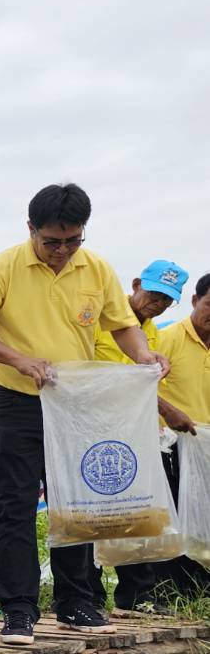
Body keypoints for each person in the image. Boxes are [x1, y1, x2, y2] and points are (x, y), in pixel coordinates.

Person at [0, 183, 168, 646]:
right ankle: (19, 609)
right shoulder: (4, 267)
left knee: (75, 501)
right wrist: (18, 359)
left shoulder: (96, 269)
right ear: (30, 229)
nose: (61, 251)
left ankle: (75, 601)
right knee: (15, 505)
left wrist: (144, 357)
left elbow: (123, 326)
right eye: (51, 241)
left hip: (75, 404)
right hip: (18, 399)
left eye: (72, 241)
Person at [88, 260, 188, 614]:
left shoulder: (152, 333)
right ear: (135, 284)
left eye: (166, 300)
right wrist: (166, 408)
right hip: (94, 430)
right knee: (92, 512)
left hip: (132, 431)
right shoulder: (100, 320)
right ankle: (89, 595)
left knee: (135, 510)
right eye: (154, 294)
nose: (157, 304)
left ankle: (137, 595)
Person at [124, 272, 210, 606]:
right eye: (209, 305)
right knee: (173, 519)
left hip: (206, 448)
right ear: (194, 301)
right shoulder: (165, 338)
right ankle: (172, 589)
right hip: (170, 445)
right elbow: (141, 382)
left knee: (203, 519)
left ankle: (200, 587)